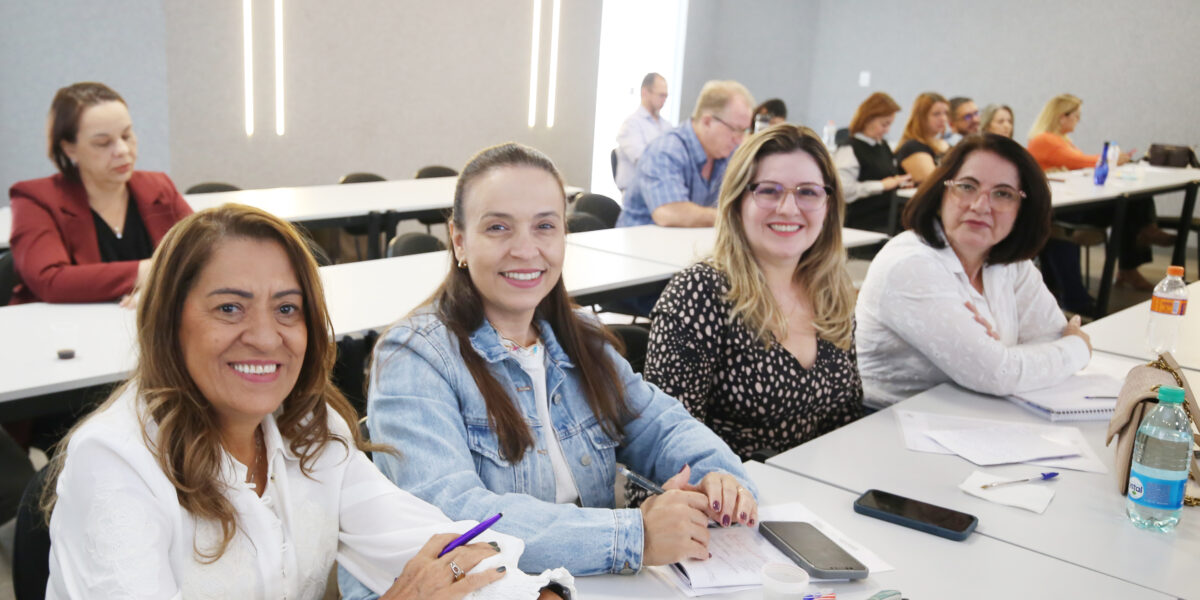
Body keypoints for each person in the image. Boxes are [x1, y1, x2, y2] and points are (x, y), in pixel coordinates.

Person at [41, 204, 571, 599]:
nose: (267, 338)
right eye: (229, 308)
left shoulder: (307, 426)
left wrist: (531, 593)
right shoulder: (113, 463)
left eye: (288, 309)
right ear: (169, 322)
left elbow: (429, 543)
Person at [350, 143, 758, 585]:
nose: (526, 250)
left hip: (585, 584)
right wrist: (632, 534)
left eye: (545, 226)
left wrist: (721, 480)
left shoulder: (577, 336)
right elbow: (454, 514)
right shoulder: (415, 355)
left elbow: (662, 425)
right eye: (498, 228)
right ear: (460, 240)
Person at [644, 124, 863, 460]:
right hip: (717, 500)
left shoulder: (831, 293)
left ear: (829, 205)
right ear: (737, 202)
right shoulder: (698, 294)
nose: (789, 208)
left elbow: (845, 419)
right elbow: (667, 447)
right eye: (769, 190)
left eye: (808, 192)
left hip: (812, 494)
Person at [855, 134, 1092, 408]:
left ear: (1022, 209)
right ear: (942, 192)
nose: (980, 206)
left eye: (1003, 194)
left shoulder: (1008, 262)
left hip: (979, 415)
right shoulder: (909, 265)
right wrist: (1077, 348)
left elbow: (1049, 336)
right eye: (967, 187)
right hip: (886, 425)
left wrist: (1000, 358)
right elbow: (997, 374)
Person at [8, 82, 193, 306]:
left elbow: (201, 252)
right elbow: (51, 281)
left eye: (126, 135)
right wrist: (149, 272)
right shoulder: (35, 197)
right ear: (69, 149)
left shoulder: (158, 186)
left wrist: (157, 291)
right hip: (62, 331)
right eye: (103, 143)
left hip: (146, 326)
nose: (123, 151)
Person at [1027, 93, 1171, 298]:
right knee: (1131, 205)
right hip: (1062, 209)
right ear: (1062, 117)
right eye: (1076, 116)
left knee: (1131, 202)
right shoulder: (1044, 140)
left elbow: (1077, 161)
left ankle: (1139, 245)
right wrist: (1110, 159)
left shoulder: (1061, 140)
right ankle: (1139, 246)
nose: (1078, 121)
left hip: (1073, 201)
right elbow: (1079, 161)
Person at [616, 80, 755, 228]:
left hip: (683, 244)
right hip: (637, 245)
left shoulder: (725, 153)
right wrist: (734, 218)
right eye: (735, 129)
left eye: (744, 131)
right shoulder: (666, 150)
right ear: (707, 121)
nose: (740, 140)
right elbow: (670, 213)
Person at [834, 92, 912, 233]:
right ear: (868, 119)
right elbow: (843, 191)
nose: (887, 130)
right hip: (862, 222)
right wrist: (881, 186)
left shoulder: (883, 146)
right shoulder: (850, 148)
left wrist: (899, 184)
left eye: (889, 125)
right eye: (884, 124)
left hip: (887, 219)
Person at [614, 73, 673, 191]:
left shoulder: (667, 127)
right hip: (637, 195)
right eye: (661, 95)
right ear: (644, 92)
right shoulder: (631, 125)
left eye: (666, 96)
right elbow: (643, 161)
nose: (664, 100)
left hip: (661, 190)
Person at [894, 92, 950, 185]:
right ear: (921, 117)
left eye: (946, 113)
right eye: (936, 114)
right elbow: (933, 184)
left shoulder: (944, 144)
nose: (943, 118)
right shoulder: (912, 147)